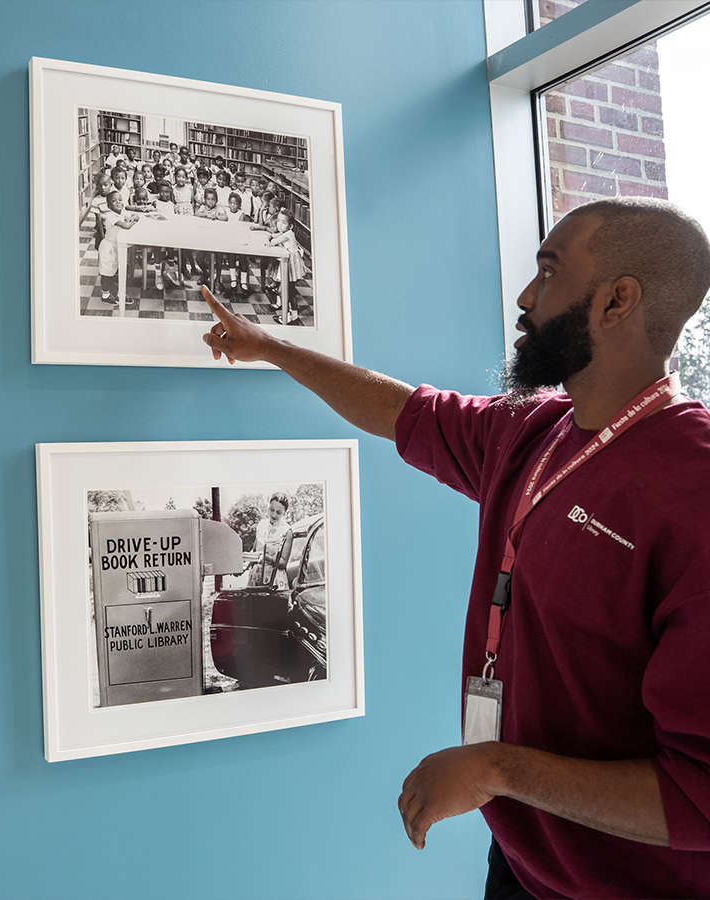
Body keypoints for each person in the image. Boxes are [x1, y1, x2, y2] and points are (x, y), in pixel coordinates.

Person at [200, 197, 710, 899]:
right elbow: (402, 411)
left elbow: (699, 795)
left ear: (617, 301)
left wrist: (496, 769)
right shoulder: (533, 432)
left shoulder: (693, 490)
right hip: (523, 863)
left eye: (549, 273)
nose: (525, 298)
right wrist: (273, 349)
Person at [266, 209, 308, 324]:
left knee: (285, 291)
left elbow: (273, 241)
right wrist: (271, 235)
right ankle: (285, 308)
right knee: (287, 289)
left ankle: (291, 316)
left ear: (290, 226)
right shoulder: (286, 232)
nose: (279, 224)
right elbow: (276, 235)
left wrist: (269, 239)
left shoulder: (288, 234)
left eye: (283, 222)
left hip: (291, 266)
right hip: (289, 264)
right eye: (278, 221)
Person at [248, 493, 292, 589]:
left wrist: (267, 557)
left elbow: (283, 562)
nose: (274, 515)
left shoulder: (286, 531)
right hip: (257, 576)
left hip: (275, 579)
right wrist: (245, 564)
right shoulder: (261, 525)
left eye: (278, 512)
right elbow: (255, 550)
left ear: (284, 513)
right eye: (272, 510)